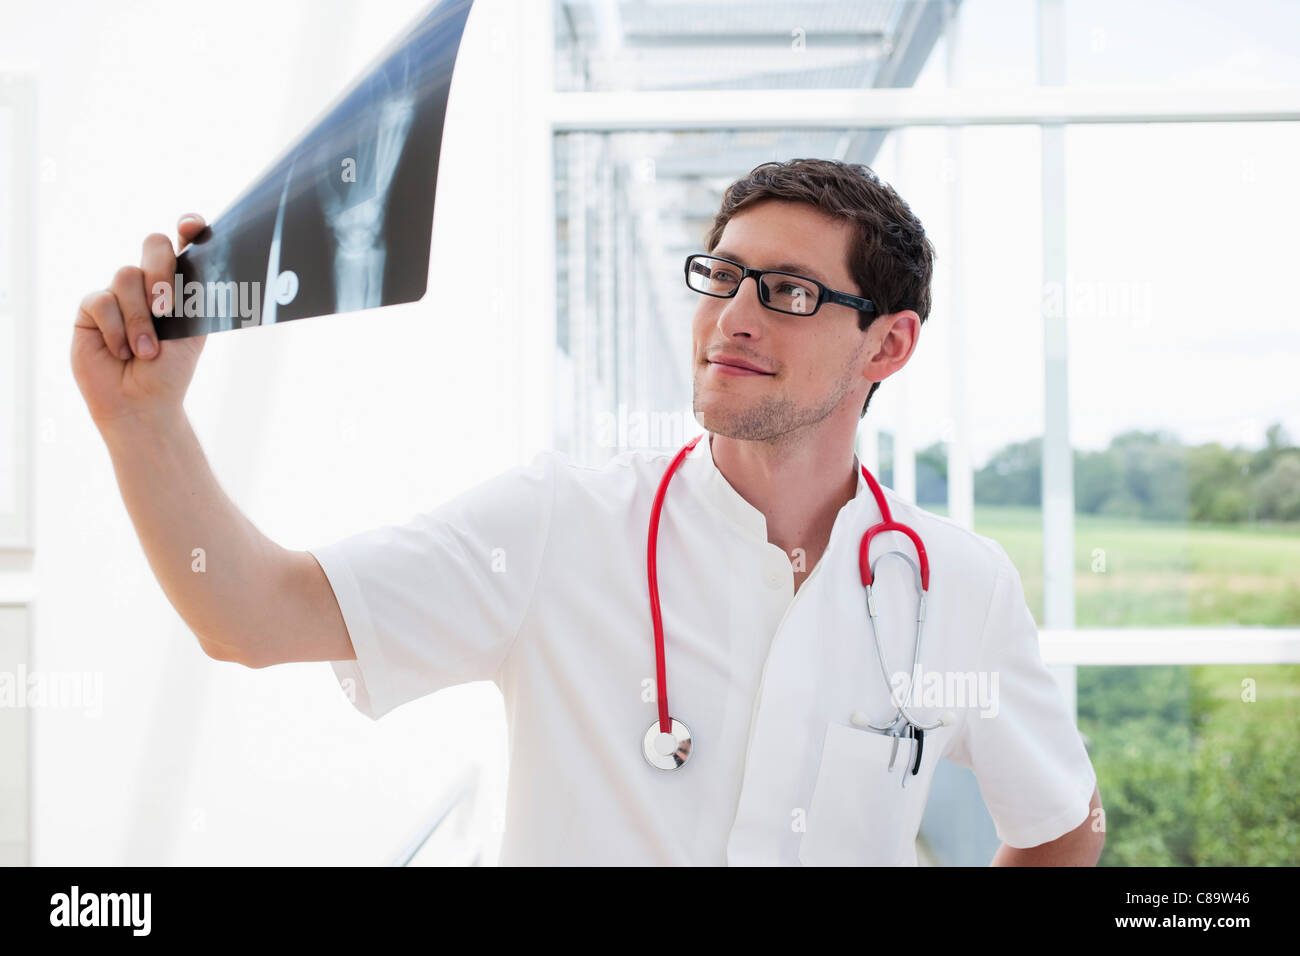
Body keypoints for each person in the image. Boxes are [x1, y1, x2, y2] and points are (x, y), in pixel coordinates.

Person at [71, 157, 1103, 866]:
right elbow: (250, 614)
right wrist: (141, 425)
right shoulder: (559, 523)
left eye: (788, 292)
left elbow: (1063, 821)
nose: (732, 318)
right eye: (723, 277)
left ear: (888, 345)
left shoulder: (955, 586)